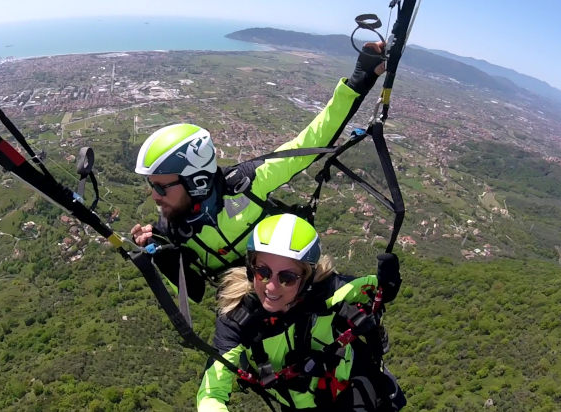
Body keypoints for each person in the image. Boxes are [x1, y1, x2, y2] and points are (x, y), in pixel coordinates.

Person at [131, 42, 388, 302]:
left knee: (354, 299)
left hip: (289, 273)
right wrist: (163, 260)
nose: (155, 196)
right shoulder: (172, 231)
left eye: (161, 186)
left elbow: (309, 144)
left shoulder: (246, 183)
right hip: (247, 296)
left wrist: (361, 78)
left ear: (196, 181)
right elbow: (192, 293)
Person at [197, 214, 406, 411]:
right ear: (251, 269)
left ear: (306, 277)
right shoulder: (238, 318)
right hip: (297, 403)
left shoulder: (327, 290)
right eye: (263, 273)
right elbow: (212, 391)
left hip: (351, 383)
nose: (271, 287)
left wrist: (389, 285)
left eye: (287, 278)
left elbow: (375, 290)